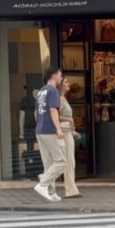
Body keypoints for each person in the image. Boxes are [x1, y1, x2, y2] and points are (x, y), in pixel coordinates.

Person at [34, 66, 66, 202]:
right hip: (50, 131)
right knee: (61, 162)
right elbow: (53, 110)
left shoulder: (41, 92)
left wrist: (40, 124)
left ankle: (51, 192)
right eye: (59, 75)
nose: (61, 78)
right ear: (53, 76)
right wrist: (58, 128)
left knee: (49, 164)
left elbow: (36, 113)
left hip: (40, 130)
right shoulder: (53, 91)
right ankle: (43, 183)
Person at [58, 77, 81, 198]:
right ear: (60, 85)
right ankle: (70, 190)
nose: (68, 84)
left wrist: (73, 131)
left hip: (67, 131)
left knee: (70, 161)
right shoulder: (61, 99)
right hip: (64, 132)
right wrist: (70, 120)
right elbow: (55, 116)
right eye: (66, 82)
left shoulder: (63, 99)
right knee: (68, 161)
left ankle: (71, 188)